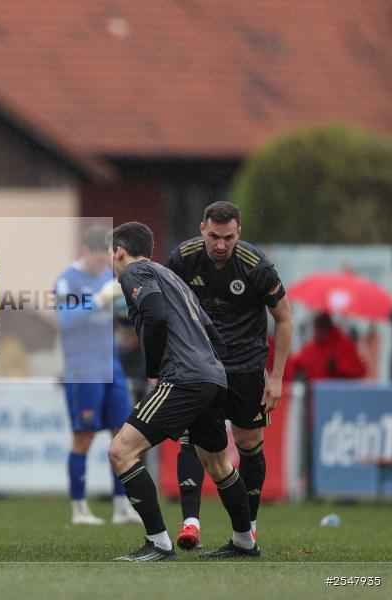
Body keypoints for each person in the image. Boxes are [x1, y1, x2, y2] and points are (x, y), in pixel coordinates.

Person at [107, 221, 258, 561]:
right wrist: (213, 372)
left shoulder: (135, 273)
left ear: (119, 251)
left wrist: (154, 370)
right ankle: (245, 542)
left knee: (120, 452)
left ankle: (159, 544)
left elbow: (156, 316)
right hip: (212, 376)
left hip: (184, 377)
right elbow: (210, 330)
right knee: (218, 464)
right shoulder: (170, 276)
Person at [166, 201, 293, 550]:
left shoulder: (257, 266)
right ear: (202, 228)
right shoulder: (182, 258)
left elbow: (285, 319)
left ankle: (247, 530)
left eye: (229, 238)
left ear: (239, 233)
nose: (221, 245)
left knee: (248, 441)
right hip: (199, 364)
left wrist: (277, 377)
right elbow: (165, 313)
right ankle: (190, 524)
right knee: (191, 436)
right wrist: (163, 364)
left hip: (245, 365)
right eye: (214, 236)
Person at [54, 226, 141, 526]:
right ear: (85, 252)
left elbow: (114, 316)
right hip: (83, 369)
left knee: (122, 435)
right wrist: (98, 301)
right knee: (84, 436)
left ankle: (122, 507)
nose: (104, 267)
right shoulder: (68, 280)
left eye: (106, 261)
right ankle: (79, 510)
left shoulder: (107, 276)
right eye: (99, 261)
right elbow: (66, 321)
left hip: (112, 366)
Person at [284, 312, 365, 383]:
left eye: (319, 327)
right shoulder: (312, 347)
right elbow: (294, 365)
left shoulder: (343, 344)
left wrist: (338, 367)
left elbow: (359, 370)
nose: (316, 331)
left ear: (326, 327)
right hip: (316, 395)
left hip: (339, 394)